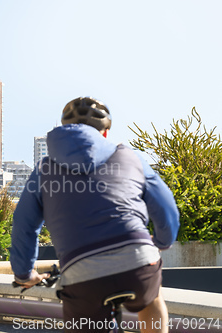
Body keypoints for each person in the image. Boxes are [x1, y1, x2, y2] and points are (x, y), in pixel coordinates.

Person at [10, 97, 180, 333]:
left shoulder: (43, 169)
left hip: (82, 274)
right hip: (138, 260)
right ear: (105, 133)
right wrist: (162, 241)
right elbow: (165, 205)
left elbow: (23, 226)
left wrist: (24, 274)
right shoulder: (132, 157)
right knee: (152, 298)